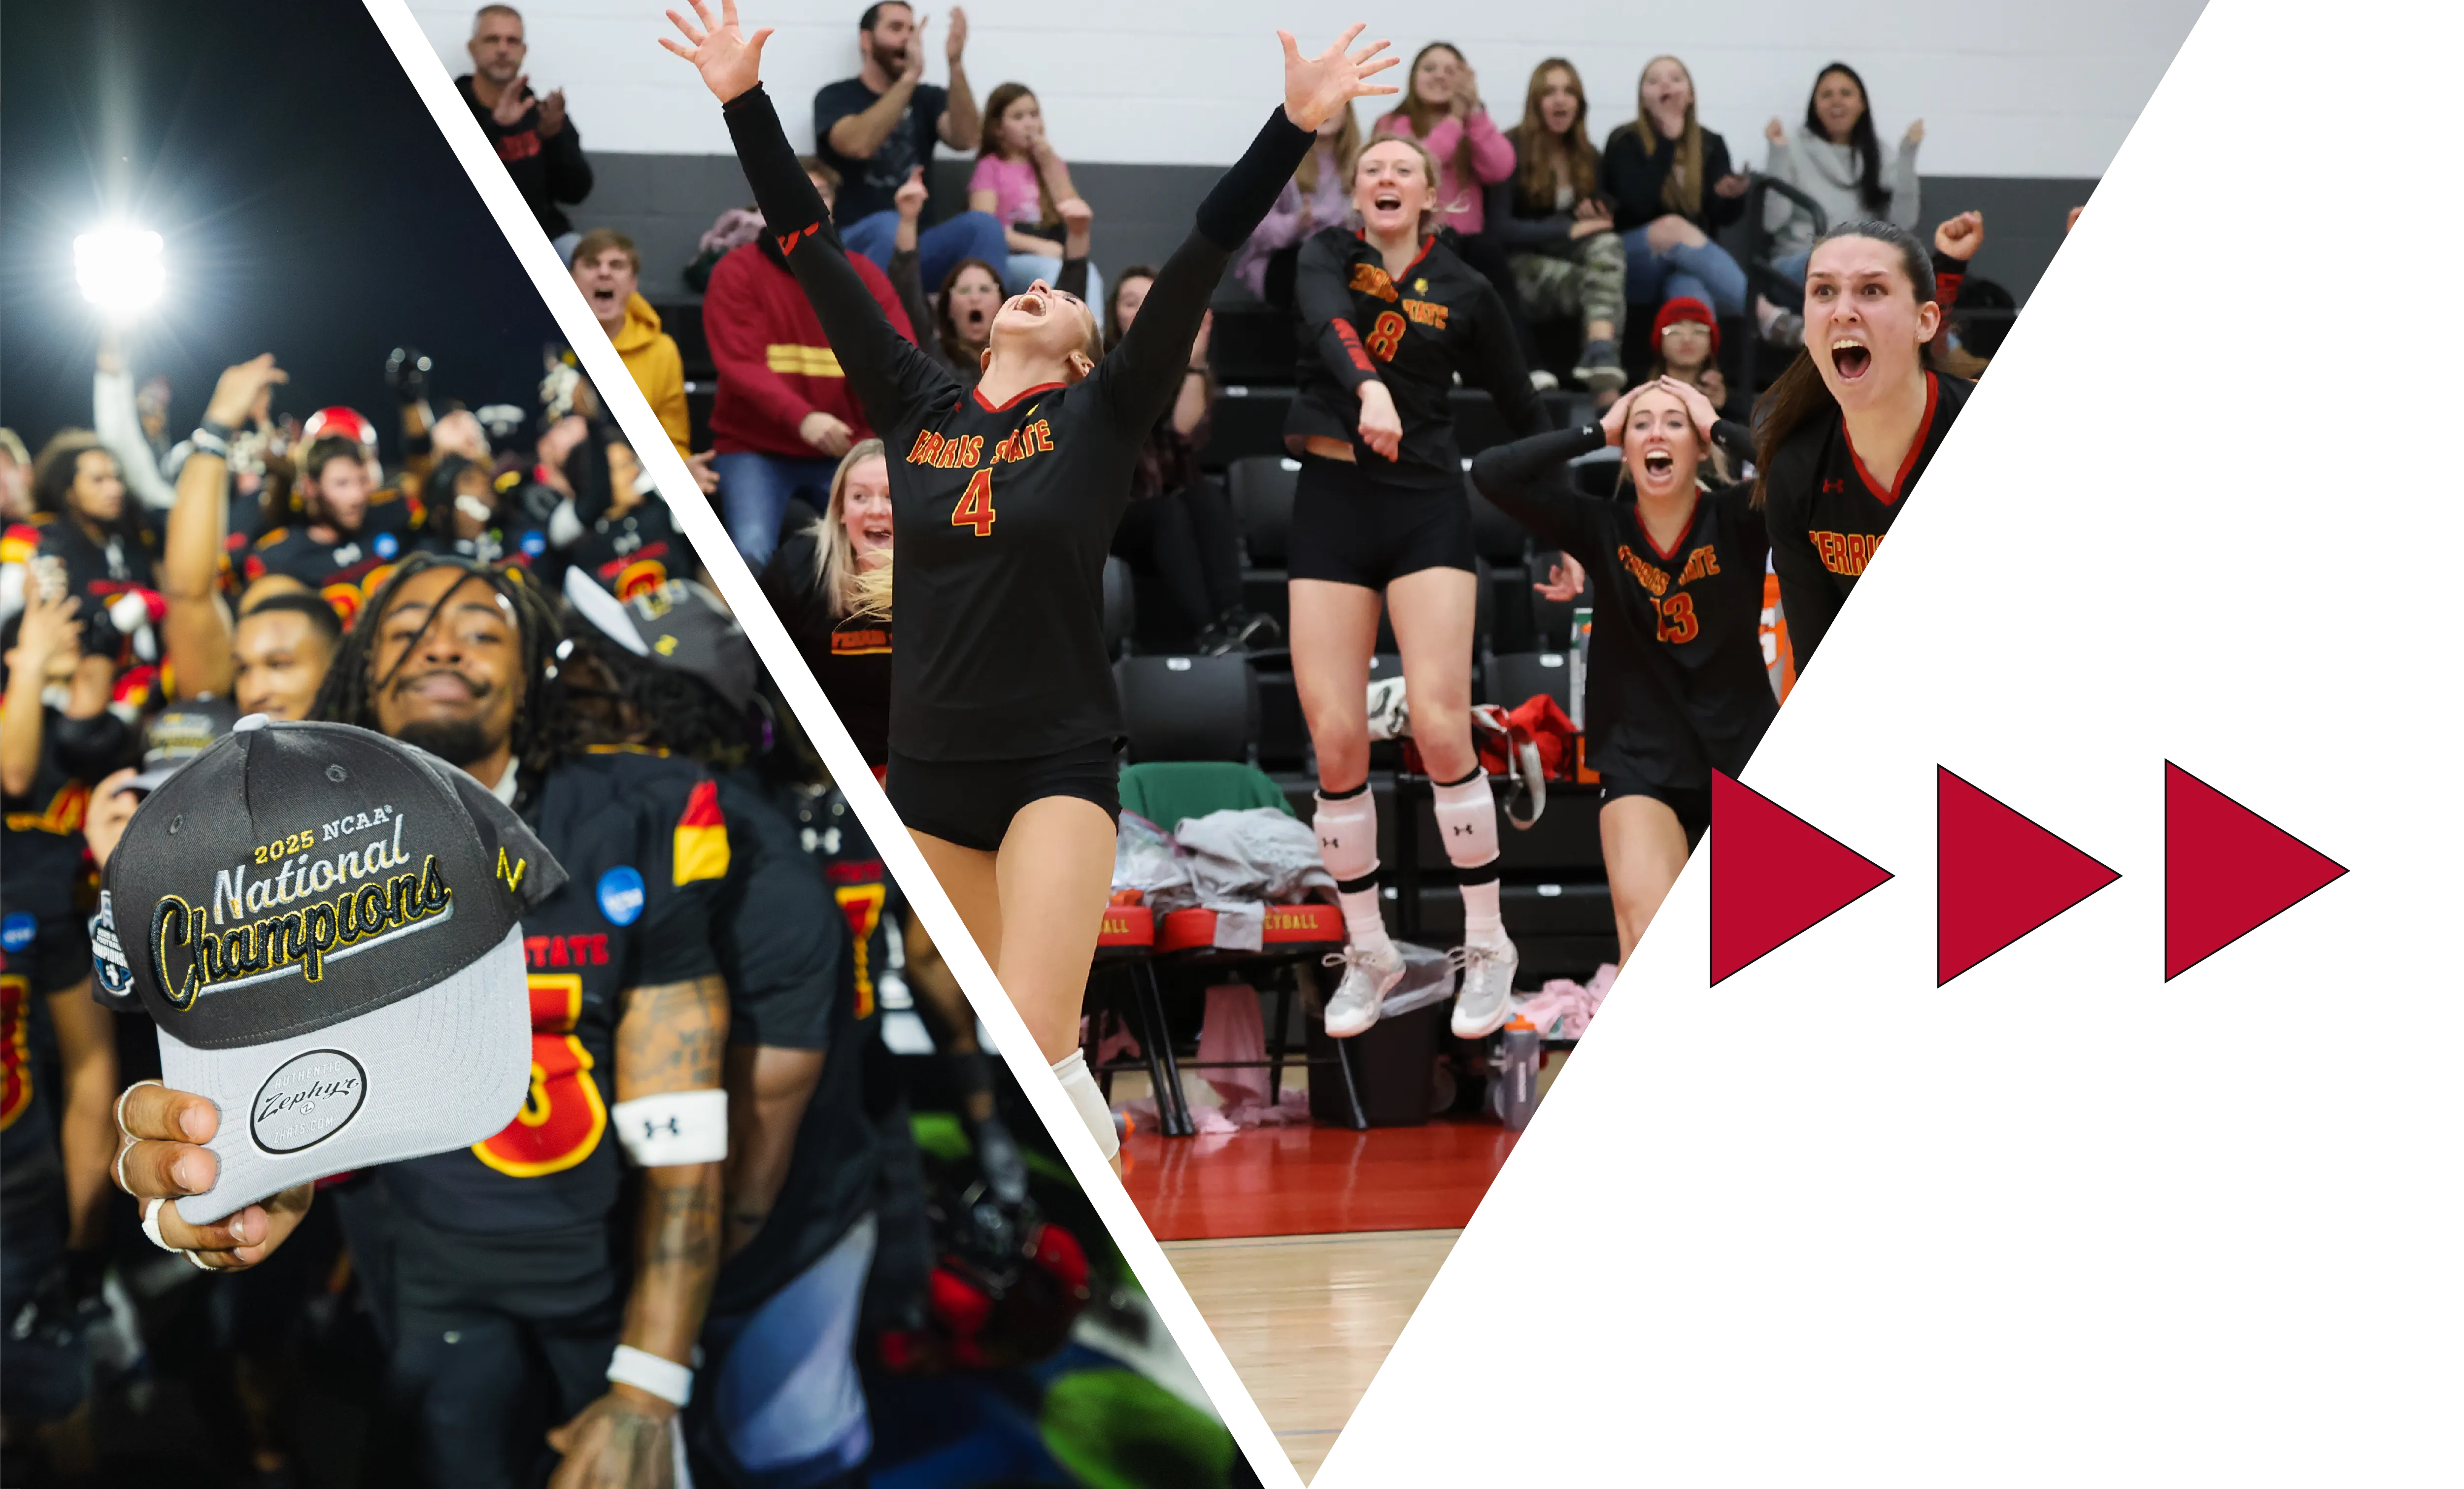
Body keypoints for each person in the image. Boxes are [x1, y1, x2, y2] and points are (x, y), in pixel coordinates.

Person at [666, 0, 1395, 1172]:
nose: (1037, 290)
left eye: (1063, 296)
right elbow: (809, 247)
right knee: (972, 1052)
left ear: (1080, 348)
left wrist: (1291, 126)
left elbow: (1204, 251)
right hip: (932, 777)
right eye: (1031, 287)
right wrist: (740, 101)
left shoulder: (1100, 417)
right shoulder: (916, 402)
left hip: (1054, 767)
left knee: (1043, 1043)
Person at [1284, 128, 1550, 1044]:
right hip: (1330, 501)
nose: (1386, 178)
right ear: (1356, 195)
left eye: (1403, 169)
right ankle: (1371, 949)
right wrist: (1370, 390)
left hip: (1426, 507)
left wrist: (1559, 527)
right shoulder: (1324, 255)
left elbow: (1521, 412)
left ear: (1434, 194)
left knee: (1440, 720)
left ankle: (1488, 941)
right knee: (1333, 735)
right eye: (1372, 170)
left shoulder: (1469, 288)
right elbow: (1330, 326)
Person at [1473, 377, 1773, 961]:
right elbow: (1490, 472)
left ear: (1699, 448)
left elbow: (1801, 472)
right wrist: (1596, 431)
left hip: (1742, 754)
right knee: (1653, 946)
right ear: (1626, 448)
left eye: (1674, 423)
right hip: (1640, 761)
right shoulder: (1600, 527)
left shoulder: (1739, 517)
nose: (1656, 432)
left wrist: (1718, 424)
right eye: (1641, 424)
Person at [0, 593, 122, 1437]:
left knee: (60, 1408)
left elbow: (90, 1069)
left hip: (22, 1217)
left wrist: (84, 1245)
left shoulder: (36, 867)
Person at [1758, 214, 1979, 678]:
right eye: (1823, 291)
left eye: (1871, 291)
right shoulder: (1797, 472)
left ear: (1925, 322)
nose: (1842, 310)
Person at [705, 156, 917, 567]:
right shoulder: (735, 272)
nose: (805, 204)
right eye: (792, 193)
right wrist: (805, 419)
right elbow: (740, 365)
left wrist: (870, 439)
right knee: (751, 549)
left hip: (847, 448)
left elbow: (901, 358)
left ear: (832, 209)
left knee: (890, 552)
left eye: (818, 195)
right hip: (755, 449)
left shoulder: (865, 277)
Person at [1102, 273, 1267, 654]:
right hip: (1113, 513)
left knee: (1205, 494)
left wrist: (1194, 365)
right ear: (1114, 315)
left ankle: (1233, 616)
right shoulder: (1100, 367)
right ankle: (1206, 630)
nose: (1141, 311)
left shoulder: (1183, 366)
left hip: (1166, 504)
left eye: (1150, 301)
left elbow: (1182, 434)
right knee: (1166, 513)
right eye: (1130, 302)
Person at [1374, 43, 1547, 385]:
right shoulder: (1393, 123)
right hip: (1417, 239)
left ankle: (1525, 367)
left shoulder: (1474, 125)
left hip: (1472, 242)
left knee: (1490, 259)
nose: (1439, 76)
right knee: (1443, 249)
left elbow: (1501, 168)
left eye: (1450, 70)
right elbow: (1417, 166)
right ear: (1413, 78)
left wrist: (1475, 113)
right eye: (1429, 68)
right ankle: (1438, 361)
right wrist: (1454, 120)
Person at [810, 2, 1007, 289]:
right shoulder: (836, 97)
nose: (907, 38)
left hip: (919, 242)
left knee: (983, 226)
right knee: (888, 226)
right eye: (896, 28)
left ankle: (993, 329)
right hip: (854, 241)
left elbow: (967, 139)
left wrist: (955, 63)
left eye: (912, 29)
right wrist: (909, 78)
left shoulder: (927, 98)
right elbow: (858, 144)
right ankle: (868, 331)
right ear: (866, 40)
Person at [1756, 63, 1923, 346]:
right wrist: (1778, 153)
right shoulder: (1793, 148)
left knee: (1904, 278)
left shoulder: (1880, 154)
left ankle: (1946, 357)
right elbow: (1773, 221)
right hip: (1798, 264)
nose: (1836, 101)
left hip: (1859, 269)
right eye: (1826, 95)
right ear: (1815, 106)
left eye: (1846, 93)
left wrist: (1908, 154)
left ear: (1862, 105)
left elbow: (1904, 222)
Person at [758, 440, 895, 773]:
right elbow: (769, 683)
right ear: (841, 512)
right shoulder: (797, 569)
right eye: (860, 497)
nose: (875, 509)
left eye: (892, 497)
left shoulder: (948, 575)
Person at [1495, 58, 1627, 392]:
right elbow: (1499, 230)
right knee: (1604, 286)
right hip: (1516, 270)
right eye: (1549, 92)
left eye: (1569, 92)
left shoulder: (1587, 155)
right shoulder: (1509, 148)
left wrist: (1592, 215)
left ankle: (1600, 353)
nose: (1560, 100)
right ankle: (1603, 372)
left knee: (1608, 246)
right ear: (1535, 102)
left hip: (1567, 263)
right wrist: (1566, 230)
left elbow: (1597, 226)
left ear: (1579, 103)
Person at [1602, 56, 1751, 319]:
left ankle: (1703, 360)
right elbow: (1638, 206)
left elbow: (1720, 219)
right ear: (1643, 99)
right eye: (1654, 81)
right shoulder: (1624, 141)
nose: (1665, 86)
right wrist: (1666, 143)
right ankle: (1766, 316)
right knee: (1672, 227)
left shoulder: (1711, 144)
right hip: (1635, 262)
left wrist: (1730, 198)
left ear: (1691, 95)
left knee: (1691, 295)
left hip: (1687, 264)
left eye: (1675, 79)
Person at [456, 3, 594, 259]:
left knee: (585, 259)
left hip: (544, 239)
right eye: (492, 40)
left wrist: (554, 138)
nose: (503, 49)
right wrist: (498, 130)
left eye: (512, 41)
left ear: (523, 51)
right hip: (466, 238)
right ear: (472, 49)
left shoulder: (541, 113)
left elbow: (577, 193)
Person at [28, 434, 163, 672]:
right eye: (98, 480)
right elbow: (55, 641)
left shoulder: (135, 538)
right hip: (82, 680)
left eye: (116, 478)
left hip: (143, 679)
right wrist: (117, 621)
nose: (114, 489)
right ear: (69, 491)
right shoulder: (50, 544)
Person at [968, 82, 1102, 310]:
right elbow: (983, 227)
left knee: (1090, 274)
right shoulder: (991, 167)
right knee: (1051, 271)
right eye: (1018, 117)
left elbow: (1074, 213)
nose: (1029, 124)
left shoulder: (1051, 165)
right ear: (998, 129)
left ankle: (1091, 336)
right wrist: (1040, 247)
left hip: (1052, 252)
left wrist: (1050, 164)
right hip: (1011, 258)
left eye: (1034, 114)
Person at [245, 434, 404, 624]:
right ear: (310, 486)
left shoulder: (394, 518)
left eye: (362, 480)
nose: (357, 496)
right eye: (342, 484)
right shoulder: (280, 559)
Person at [571, 229, 692, 459]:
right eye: (591, 265)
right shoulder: (549, 346)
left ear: (633, 283)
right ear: (572, 280)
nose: (604, 273)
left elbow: (674, 443)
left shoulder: (662, 351)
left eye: (616, 265)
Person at [1232, 104, 1359, 310]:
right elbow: (1254, 228)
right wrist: (1297, 224)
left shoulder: (1365, 164)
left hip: (1343, 261)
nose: (1326, 109)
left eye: (1334, 103)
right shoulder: (1279, 162)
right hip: (1289, 265)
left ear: (1348, 112)